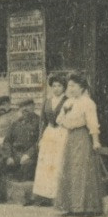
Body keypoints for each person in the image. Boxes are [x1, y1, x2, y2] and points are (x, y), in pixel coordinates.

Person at [54, 72, 104, 217]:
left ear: (82, 87)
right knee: (69, 170)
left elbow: (93, 123)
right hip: (70, 137)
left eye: (74, 86)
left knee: (82, 172)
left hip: (82, 137)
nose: (70, 89)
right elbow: (59, 120)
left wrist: (95, 141)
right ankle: (71, 206)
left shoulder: (87, 102)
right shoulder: (68, 102)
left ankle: (88, 208)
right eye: (69, 86)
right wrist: (65, 118)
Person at [0, 97, 42, 205]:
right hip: (14, 155)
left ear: (33, 107)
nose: (25, 109)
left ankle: (25, 198)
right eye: (22, 107)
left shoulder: (39, 122)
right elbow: (7, 141)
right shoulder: (16, 123)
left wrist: (28, 154)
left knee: (27, 167)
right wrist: (8, 156)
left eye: (27, 106)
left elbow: (39, 142)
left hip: (30, 156)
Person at [29, 73, 70, 206]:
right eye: (54, 86)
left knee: (57, 164)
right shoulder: (47, 101)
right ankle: (44, 196)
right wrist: (41, 138)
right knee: (46, 165)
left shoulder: (67, 101)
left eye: (59, 86)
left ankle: (57, 196)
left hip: (62, 133)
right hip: (49, 134)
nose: (56, 88)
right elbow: (42, 121)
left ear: (64, 87)